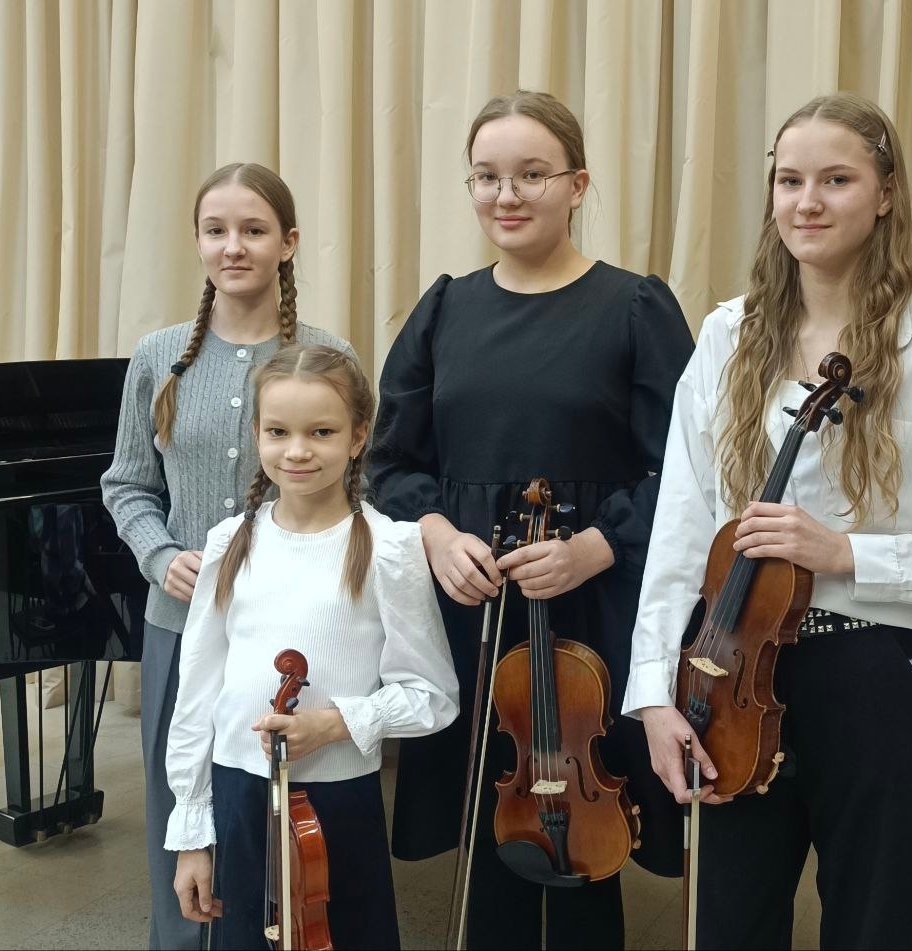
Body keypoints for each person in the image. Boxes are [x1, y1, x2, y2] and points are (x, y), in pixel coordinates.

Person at [623, 91, 912, 950]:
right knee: (729, 923)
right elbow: (680, 531)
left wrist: (848, 553)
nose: (807, 202)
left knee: (875, 927)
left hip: (871, 671)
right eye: (790, 181)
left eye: (836, 180)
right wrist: (655, 694)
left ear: (885, 193)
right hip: (731, 671)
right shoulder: (727, 338)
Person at [369, 90, 694, 949]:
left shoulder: (634, 306)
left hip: (591, 601)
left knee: (586, 819)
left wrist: (597, 545)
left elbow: (689, 470)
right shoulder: (445, 307)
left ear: (577, 185)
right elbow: (389, 462)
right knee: (489, 809)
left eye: (531, 175)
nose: (506, 195)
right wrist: (437, 534)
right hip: (473, 603)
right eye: (487, 176)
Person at [101, 163, 355, 950]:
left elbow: (358, 487)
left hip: (291, 639)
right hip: (180, 626)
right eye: (216, 230)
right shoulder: (158, 356)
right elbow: (126, 483)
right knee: (180, 819)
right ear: (198, 242)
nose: (233, 246)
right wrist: (158, 554)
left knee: (278, 826)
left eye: (253, 230)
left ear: (289, 243)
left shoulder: (328, 354)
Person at [165, 344, 459, 950]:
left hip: (339, 800)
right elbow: (196, 695)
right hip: (238, 791)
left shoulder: (390, 548)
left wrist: (335, 723)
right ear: (257, 434)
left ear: (358, 437)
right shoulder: (230, 542)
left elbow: (433, 696)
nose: (297, 451)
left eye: (321, 432)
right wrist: (192, 835)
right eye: (279, 432)